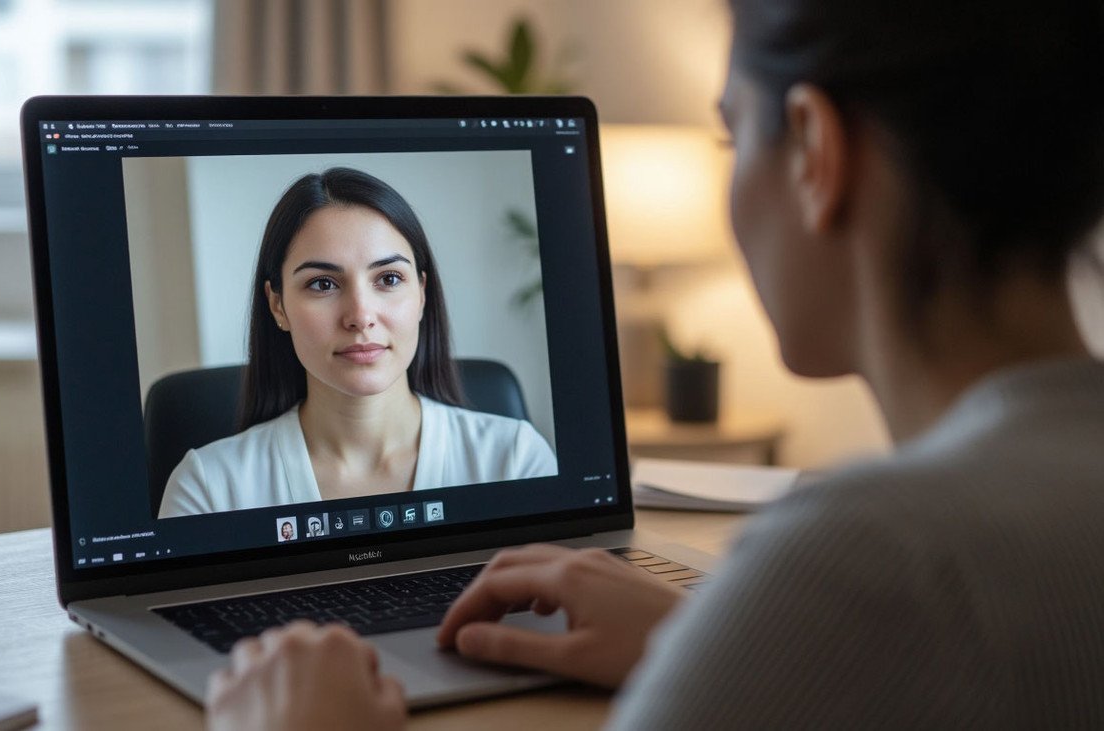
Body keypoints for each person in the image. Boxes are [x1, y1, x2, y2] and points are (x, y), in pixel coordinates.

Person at [206, 0, 1104, 728]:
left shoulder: (867, 563)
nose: (361, 312)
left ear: (815, 154)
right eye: (322, 284)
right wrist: (720, 645)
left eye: (729, 137)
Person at [158, 168, 556, 518]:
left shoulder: (516, 461)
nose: (360, 316)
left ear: (421, 292)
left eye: (388, 279)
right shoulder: (208, 489)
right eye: (323, 284)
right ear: (277, 306)